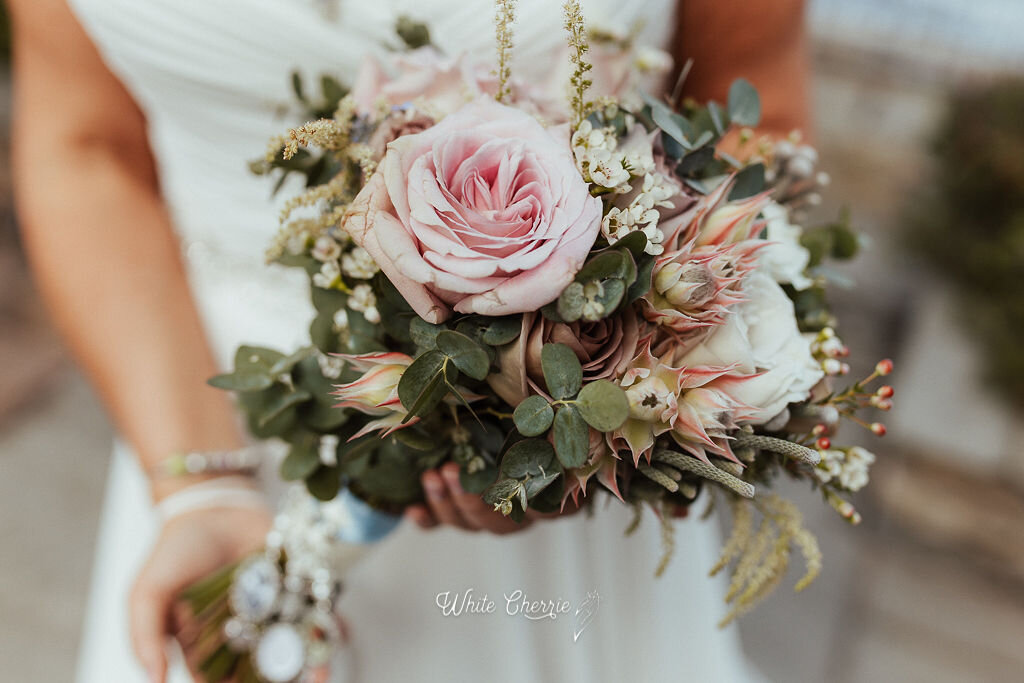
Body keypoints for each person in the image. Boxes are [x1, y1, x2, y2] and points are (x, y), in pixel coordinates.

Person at [9, 0, 809, 681]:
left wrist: (575, 431)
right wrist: (199, 485)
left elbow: (756, 120)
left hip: (568, 422)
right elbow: (87, 148)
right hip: (208, 408)